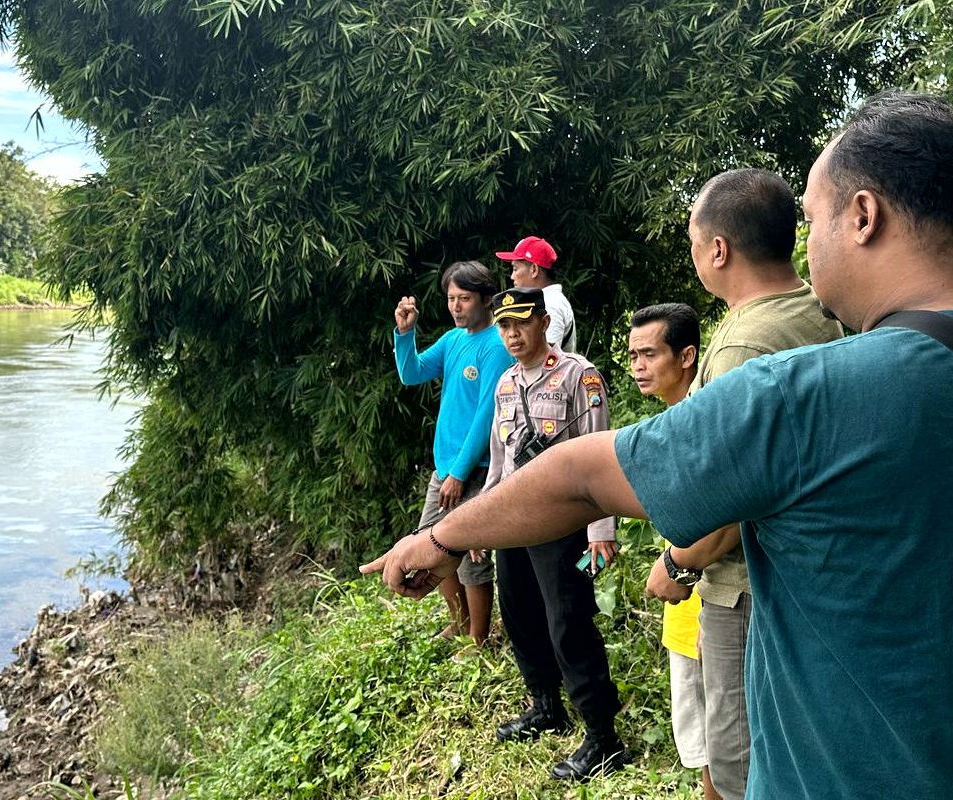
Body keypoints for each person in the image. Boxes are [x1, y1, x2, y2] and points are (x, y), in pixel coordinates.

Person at [363, 90, 953, 800]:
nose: (806, 242)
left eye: (810, 216)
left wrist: (437, 540)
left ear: (863, 216)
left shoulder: (804, 391)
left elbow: (585, 474)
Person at [640, 167, 842, 799]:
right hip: (809, 567)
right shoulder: (822, 309)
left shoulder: (741, 347)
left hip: (742, 586)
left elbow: (730, 495)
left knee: (735, 754)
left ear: (719, 249)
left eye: (695, 244)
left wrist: (678, 563)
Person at [485, 287, 629, 781]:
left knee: (568, 621)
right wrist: (484, 519)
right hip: (512, 524)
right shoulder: (504, 384)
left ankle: (603, 737)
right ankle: (546, 706)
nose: (511, 334)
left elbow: (599, 455)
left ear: (544, 322)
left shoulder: (578, 376)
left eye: (520, 323)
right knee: (520, 616)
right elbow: (499, 461)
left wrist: (600, 529)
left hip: (563, 525)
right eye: (503, 326)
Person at [393, 260, 513, 644]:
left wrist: (460, 473)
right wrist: (405, 333)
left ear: (486, 299)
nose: (456, 306)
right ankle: (458, 622)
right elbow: (411, 373)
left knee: (472, 558)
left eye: (463, 298)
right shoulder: (453, 340)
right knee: (431, 547)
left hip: (473, 470)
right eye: (450, 298)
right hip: (444, 468)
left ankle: (479, 637)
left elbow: (486, 415)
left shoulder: (495, 346)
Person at [627, 303, 716, 799]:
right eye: (633, 355)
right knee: (705, 738)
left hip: (711, 607)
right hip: (686, 613)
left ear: (687, 356)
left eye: (649, 354)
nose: (639, 365)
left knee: (719, 742)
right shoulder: (672, 421)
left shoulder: (705, 419)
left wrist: (676, 568)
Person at [495, 236, 578, 352]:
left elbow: (548, 360)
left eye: (515, 269)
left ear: (534, 270)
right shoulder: (547, 300)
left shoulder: (550, 304)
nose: (512, 277)